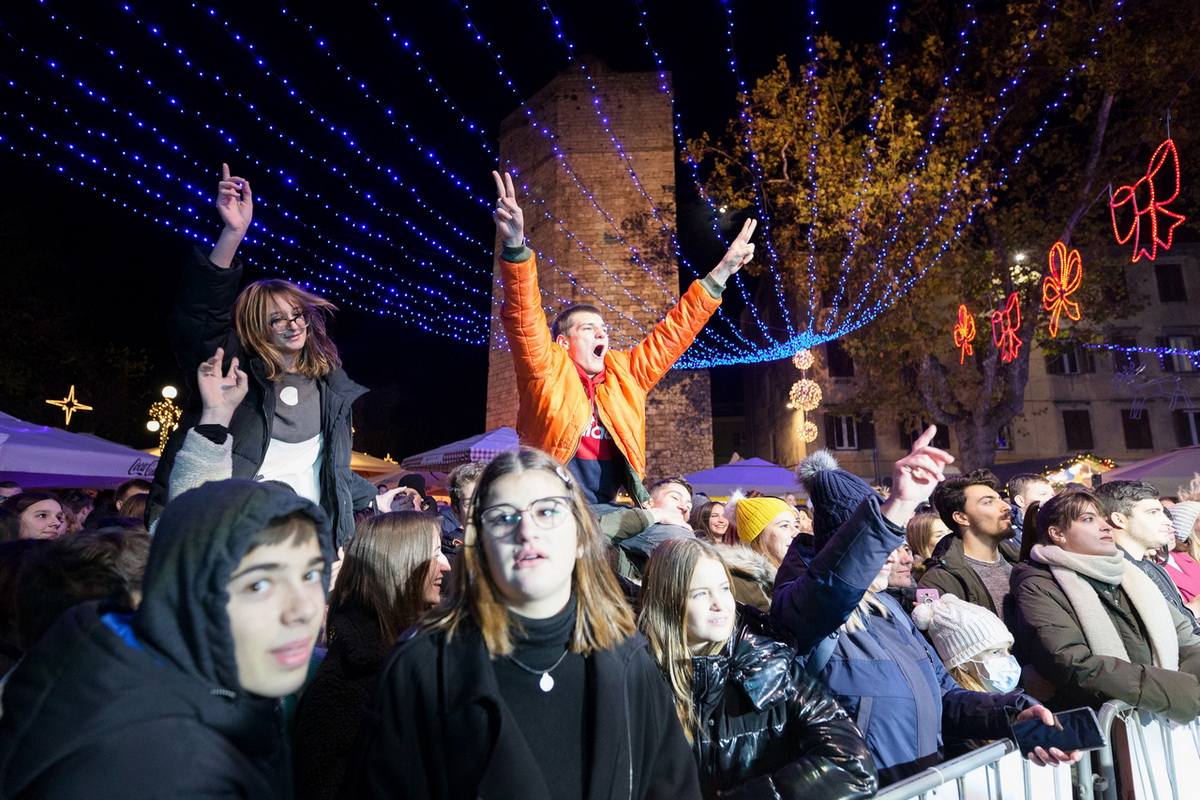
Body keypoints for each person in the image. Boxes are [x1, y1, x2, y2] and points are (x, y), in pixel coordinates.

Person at [343, 447, 699, 799]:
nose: (527, 531)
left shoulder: (629, 661)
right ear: (480, 544)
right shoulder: (423, 666)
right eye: (502, 517)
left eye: (547, 511)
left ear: (580, 536)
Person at [0, 479, 333, 798]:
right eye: (258, 585)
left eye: (311, 574)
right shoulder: (168, 765)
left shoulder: (133, 673)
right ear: (186, 589)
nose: (304, 609)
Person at [773, 436, 1075, 786]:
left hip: (924, 786)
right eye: (882, 545)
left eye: (897, 542)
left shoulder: (890, 609)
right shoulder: (801, 606)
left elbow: (945, 696)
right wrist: (899, 504)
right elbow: (833, 588)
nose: (894, 555)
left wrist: (1012, 713)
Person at [492, 170, 755, 507]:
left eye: (603, 327)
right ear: (562, 343)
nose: (601, 332)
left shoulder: (626, 373)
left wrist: (722, 272)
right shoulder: (545, 369)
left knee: (669, 532)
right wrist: (515, 246)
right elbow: (524, 315)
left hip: (609, 507)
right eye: (588, 328)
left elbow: (676, 332)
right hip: (550, 503)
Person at [149, 165, 376, 547]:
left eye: (297, 314)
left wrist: (381, 499)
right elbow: (200, 315)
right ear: (256, 327)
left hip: (303, 544)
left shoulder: (329, 387)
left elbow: (325, 469)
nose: (293, 325)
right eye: (277, 319)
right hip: (231, 537)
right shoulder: (234, 375)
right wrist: (232, 234)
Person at [638, 537, 877, 799]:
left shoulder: (771, 664)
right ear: (667, 601)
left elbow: (853, 766)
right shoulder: (634, 681)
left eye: (724, 589)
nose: (720, 604)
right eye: (700, 593)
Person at [291, 511, 450, 800]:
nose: (447, 565)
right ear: (399, 564)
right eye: (434, 553)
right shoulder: (346, 686)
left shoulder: (421, 651)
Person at [1011, 491, 1200, 722]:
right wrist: (1179, 691)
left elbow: (1184, 638)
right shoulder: (1039, 583)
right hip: (1105, 727)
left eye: (1103, 518)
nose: (1106, 526)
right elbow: (1069, 661)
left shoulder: (1128, 572)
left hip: (1159, 716)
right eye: (1088, 519)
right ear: (1057, 534)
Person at [1092, 480, 1200, 634]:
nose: (1167, 521)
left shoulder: (1153, 568)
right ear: (1119, 520)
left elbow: (1188, 630)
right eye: (1153, 513)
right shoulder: (1109, 575)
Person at [922, 470, 1020, 630]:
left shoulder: (1021, 563)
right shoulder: (940, 581)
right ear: (962, 517)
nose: (1006, 506)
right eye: (988, 502)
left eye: (1000, 499)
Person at [911, 593, 1020, 694]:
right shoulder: (963, 705)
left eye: (1008, 650)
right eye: (995, 652)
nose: (1008, 658)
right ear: (962, 664)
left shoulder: (1011, 699)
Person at [726, 491, 801, 570]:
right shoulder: (742, 576)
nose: (797, 533)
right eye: (784, 525)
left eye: (795, 525)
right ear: (759, 535)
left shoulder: (799, 570)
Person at [1006, 473, 1055, 546]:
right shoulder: (1008, 535)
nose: (1051, 499)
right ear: (1020, 501)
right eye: (1043, 494)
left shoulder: (1055, 524)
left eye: (1052, 495)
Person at [906, 512, 951, 581]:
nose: (948, 537)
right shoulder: (928, 574)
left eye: (949, 532)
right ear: (921, 542)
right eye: (939, 535)